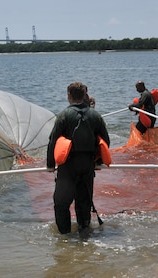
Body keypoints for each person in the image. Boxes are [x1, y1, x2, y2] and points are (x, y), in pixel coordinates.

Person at [46, 82, 110, 238]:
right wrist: (98, 162)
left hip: (67, 166)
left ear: (69, 95)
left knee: (61, 203)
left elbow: (53, 141)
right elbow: (105, 141)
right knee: (83, 203)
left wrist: (50, 165)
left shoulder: (63, 116)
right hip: (87, 166)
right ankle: (84, 233)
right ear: (84, 96)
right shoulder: (96, 116)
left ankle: (65, 236)